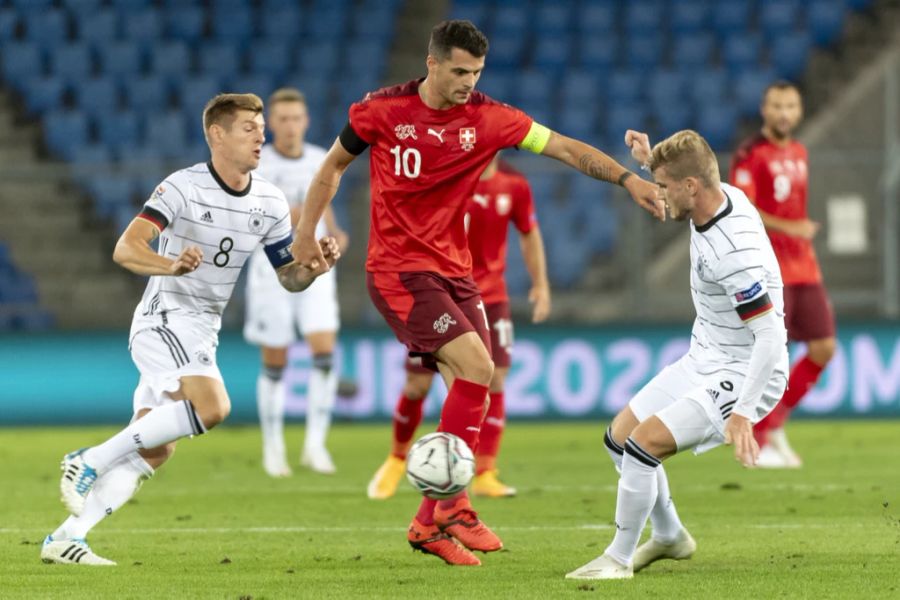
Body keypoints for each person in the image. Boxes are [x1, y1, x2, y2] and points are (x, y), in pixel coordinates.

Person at [291, 20, 663, 567]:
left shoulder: (490, 119)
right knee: (476, 367)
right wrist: (305, 235)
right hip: (398, 271)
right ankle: (454, 508)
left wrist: (628, 180)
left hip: (456, 274)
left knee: (475, 383)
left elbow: (560, 146)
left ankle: (426, 523)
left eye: (477, 72)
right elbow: (332, 167)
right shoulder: (381, 112)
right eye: (461, 71)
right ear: (433, 63)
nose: (469, 81)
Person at [45, 93, 340, 565]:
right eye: (249, 127)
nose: (261, 136)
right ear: (216, 135)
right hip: (162, 320)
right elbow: (126, 249)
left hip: (203, 330)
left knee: (155, 449)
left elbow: (290, 277)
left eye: (261, 128)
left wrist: (315, 268)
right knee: (213, 406)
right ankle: (90, 459)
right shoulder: (181, 188)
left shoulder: (269, 200)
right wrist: (171, 265)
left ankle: (65, 537)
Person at [566, 129, 789, 581]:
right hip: (705, 355)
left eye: (665, 186)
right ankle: (669, 535)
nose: (658, 195)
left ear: (691, 187)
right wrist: (650, 161)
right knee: (619, 438)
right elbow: (688, 169)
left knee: (645, 443)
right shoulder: (715, 193)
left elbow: (770, 336)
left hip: (748, 369)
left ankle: (618, 558)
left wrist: (744, 413)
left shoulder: (734, 253)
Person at [366, 154, 551, 500]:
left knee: (493, 379)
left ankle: (485, 471)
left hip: (492, 297)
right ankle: (395, 459)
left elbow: (530, 232)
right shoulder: (449, 180)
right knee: (417, 384)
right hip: (443, 293)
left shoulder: (514, 185)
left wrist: (540, 283)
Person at [243, 88, 350, 477]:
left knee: (324, 353)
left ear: (305, 121)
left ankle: (314, 446)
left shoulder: (319, 158)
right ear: (272, 124)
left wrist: (336, 231)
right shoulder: (259, 163)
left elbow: (326, 203)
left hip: (316, 267)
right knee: (276, 359)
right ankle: (274, 448)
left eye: (296, 118)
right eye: (283, 119)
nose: (290, 126)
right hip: (272, 270)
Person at [729, 81, 836, 468]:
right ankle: (756, 439)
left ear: (800, 110)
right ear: (764, 109)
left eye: (791, 105)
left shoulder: (799, 151)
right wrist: (790, 229)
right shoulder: (749, 155)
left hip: (805, 267)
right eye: (777, 105)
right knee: (773, 351)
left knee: (824, 347)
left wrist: (800, 238)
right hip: (770, 268)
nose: (784, 113)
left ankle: (773, 424)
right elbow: (742, 210)